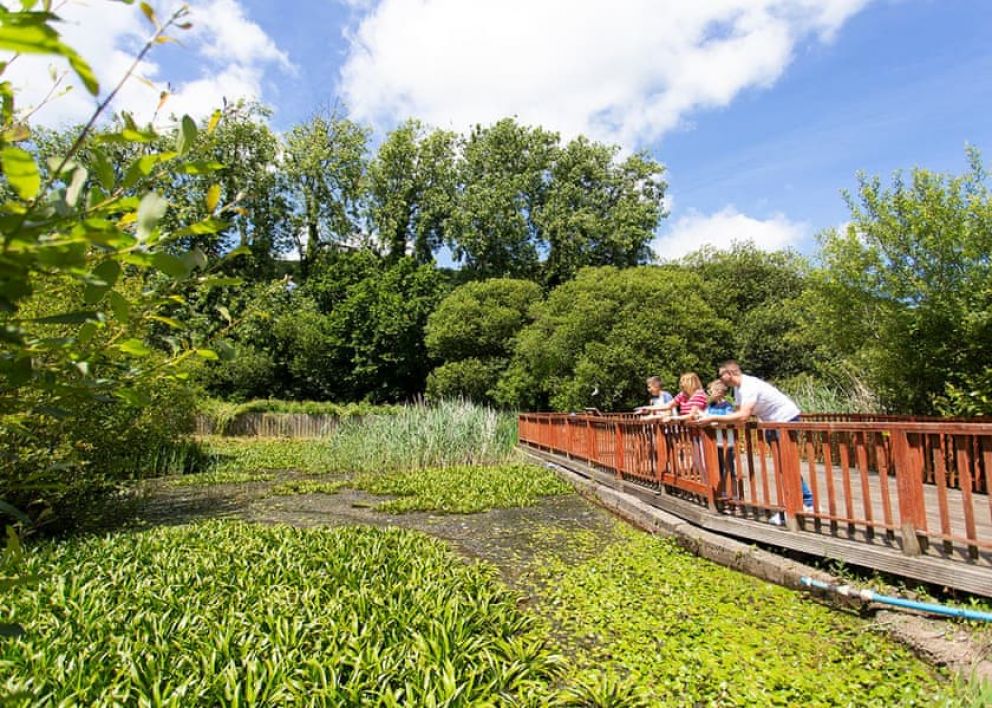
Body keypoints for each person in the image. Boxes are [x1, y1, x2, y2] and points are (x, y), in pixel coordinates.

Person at [695, 360, 814, 523]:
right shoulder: (738, 389)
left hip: (785, 420)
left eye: (721, 375)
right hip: (773, 423)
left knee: (786, 466)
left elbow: (743, 416)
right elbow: (737, 416)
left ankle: (799, 506)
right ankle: (804, 502)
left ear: (730, 373)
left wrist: (712, 418)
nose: (720, 379)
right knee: (784, 467)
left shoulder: (748, 386)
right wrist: (716, 422)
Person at [705, 379, 736, 497]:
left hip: (727, 442)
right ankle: (722, 492)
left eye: (711, 391)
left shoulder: (727, 406)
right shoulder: (710, 406)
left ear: (719, 392)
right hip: (715, 442)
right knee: (718, 468)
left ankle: (733, 494)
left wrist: (716, 422)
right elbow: (705, 417)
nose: (709, 393)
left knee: (729, 469)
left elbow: (730, 419)